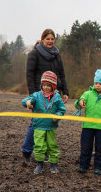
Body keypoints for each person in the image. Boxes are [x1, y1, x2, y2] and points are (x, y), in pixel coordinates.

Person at [22, 29, 69, 165]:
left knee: (51, 124)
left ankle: (46, 152)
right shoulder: (34, 53)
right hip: (39, 94)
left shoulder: (56, 54)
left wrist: (65, 91)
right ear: (42, 39)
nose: (50, 41)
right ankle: (26, 151)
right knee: (35, 124)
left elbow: (62, 73)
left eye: (52, 39)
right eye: (47, 39)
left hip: (54, 95)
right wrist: (32, 95)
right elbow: (29, 75)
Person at [22, 71, 66, 174]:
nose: (46, 87)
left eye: (48, 85)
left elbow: (62, 109)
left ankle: (54, 165)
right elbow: (25, 101)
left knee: (52, 145)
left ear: (53, 86)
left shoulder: (57, 97)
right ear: (41, 85)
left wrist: (58, 116)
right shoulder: (36, 95)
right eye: (44, 85)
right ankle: (39, 164)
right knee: (39, 145)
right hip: (38, 126)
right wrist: (28, 102)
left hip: (51, 127)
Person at [74, 69, 101, 175]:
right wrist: (80, 102)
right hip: (87, 126)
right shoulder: (87, 94)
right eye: (96, 83)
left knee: (100, 149)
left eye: (100, 83)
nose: (97, 85)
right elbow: (78, 103)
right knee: (85, 147)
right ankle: (83, 166)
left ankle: (100, 167)